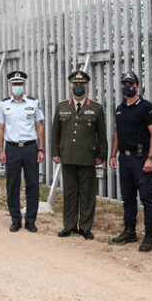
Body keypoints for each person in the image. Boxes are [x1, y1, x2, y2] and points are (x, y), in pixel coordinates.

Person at [51, 71, 107, 240]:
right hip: (67, 156)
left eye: (82, 84)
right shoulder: (62, 107)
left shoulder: (96, 108)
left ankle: (85, 227)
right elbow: (56, 132)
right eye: (75, 84)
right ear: (70, 86)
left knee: (87, 194)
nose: (78, 87)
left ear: (87, 86)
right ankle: (69, 226)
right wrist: (55, 152)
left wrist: (102, 154)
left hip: (87, 157)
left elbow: (102, 134)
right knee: (69, 193)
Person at [109, 71, 152, 252]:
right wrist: (113, 155)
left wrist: (151, 158)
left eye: (131, 84)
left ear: (137, 86)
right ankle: (129, 231)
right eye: (125, 84)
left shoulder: (146, 107)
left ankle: (150, 236)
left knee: (147, 198)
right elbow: (117, 133)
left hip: (141, 158)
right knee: (128, 197)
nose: (128, 87)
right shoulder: (120, 108)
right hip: (125, 158)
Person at [0, 71, 45, 233]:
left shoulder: (33, 103)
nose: (17, 87)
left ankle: (31, 220)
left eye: (20, 84)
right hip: (12, 148)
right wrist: (1, 150)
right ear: (10, 85)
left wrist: (41, 148)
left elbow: (39, 126)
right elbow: (0, 128)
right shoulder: (4, 104)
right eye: (14, 84)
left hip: (30, 148)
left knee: (32, 185)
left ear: (24, 85)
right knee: (12, 185)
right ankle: (15, 219)